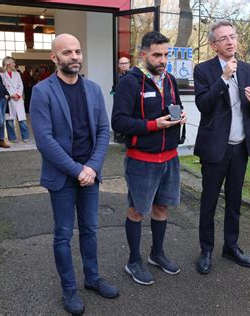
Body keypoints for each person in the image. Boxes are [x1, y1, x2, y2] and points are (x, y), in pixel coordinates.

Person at [30, 33, 118, 314]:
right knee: (63, 235)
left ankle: (92, 278)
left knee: (91, 230)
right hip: (62, 177)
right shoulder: (43, 91)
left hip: (89, 174)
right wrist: (78, 169)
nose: (75, 57)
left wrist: (91, 167)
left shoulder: (93, 89)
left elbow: (104, 131)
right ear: (54, 58)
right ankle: (69, 290)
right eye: (67, 52)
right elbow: (44, 140)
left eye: (78, 51)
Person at [112, 31, 187, 286]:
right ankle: (134, 260)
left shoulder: (171, 80)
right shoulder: (130, 82)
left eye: (166, 54)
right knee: (137, 211)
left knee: (162, 207)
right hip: (142, 160)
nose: (162, 60)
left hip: (170, 158)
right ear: (143, 54)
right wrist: (154, 125)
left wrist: (180, 117)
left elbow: (174, 107)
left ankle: (157, 254)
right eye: (157, 55)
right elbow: (118, 122)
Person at [193, 20, 250, 274]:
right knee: (209, 201)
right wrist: (223, 78)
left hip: (240, 147)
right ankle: (206, 250)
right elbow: (203, 105)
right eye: (224, 38)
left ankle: (230, 247)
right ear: (213, 44)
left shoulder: (247, 68)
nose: (231, 41)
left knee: (235, 201)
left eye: (233, 36)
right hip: (214, 150)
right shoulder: (203, 70)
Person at [0, 57, 30, 143]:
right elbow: (2, 87)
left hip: (18, 99)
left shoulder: (17, 74)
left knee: (22, 119)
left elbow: (21, 85)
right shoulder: (2, 75)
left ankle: (25, 136)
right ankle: (12, 137)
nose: (14, 64)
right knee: (9, 120)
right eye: (13, 62)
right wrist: (10, 94)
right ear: (8, 63)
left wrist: (18, 94)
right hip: (9, 99)